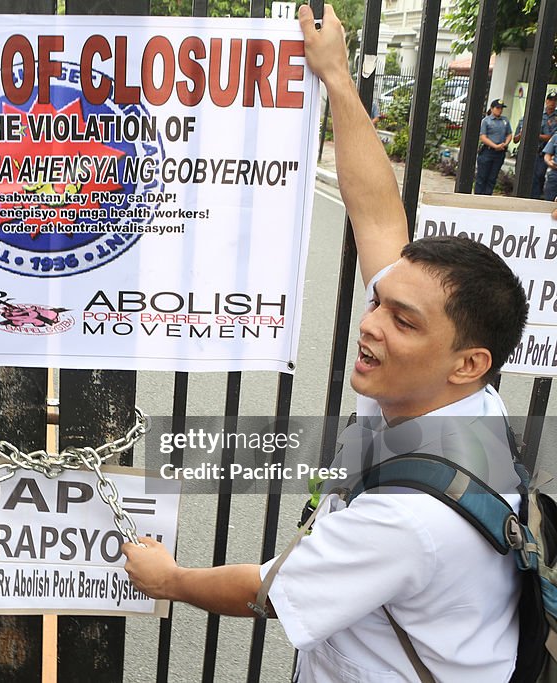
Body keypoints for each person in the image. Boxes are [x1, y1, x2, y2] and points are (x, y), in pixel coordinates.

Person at [122, 6, 529, 682]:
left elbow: (268, 591)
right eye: (377, 303)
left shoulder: (409, 518)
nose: (370, 324)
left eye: (403, 320)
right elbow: (376, 217)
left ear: (469, 363)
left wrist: (169, 578)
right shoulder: (453, 399)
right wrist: (337, 76)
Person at [513, 91, 557, 198]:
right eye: (550, 100)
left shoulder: (555, 118)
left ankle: (534, 200)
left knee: (538, 178)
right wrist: (524, 133)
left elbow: (552, 138)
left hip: (541, 153)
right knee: (522, 177)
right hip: (526, 152)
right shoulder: (534, 114)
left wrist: (533, 134)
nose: (552, 103)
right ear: (546, 101)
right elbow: (516, 139)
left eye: (555, 100)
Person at [475, 98, 513, 195]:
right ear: (492, 109)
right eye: (497, 108)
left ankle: (488, 197)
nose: (499, 110)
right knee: (482, 177)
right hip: (488, 152)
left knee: (492, 178)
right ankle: (478, 198)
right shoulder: (486, 121)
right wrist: (495, 146)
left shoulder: (505, 121)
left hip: (500, 153)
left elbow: (509, 134)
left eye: (501, 108)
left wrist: (506, 143)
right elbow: (483, 137)